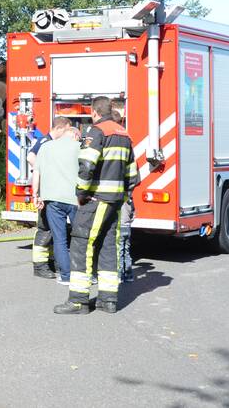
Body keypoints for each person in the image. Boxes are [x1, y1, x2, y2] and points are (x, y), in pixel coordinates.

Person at [54, 96, 138, 315]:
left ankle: (78, 301)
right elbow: (132, 173)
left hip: (97, 199)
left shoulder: (97, 132)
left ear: (94, 112)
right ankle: (108, 300)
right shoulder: (123, 133)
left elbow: (86, 166)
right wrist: (124, 195)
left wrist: (81, 193)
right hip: (116, 202)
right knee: (108, 246)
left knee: (81, 243)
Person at [32, 117, 81, 286]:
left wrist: (35, 195)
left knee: (59, 239)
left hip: (52, 199)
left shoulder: (45, 147)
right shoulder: (79, 147)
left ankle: (66, 276)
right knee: (81, 237)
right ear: (73, 135)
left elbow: (36, 173)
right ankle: (84, 274)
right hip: (76, 199)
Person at [112, 99, 136, 283]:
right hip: (126, 204)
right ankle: (127, 273)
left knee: (117, 244)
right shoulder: (127, 142)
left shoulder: (105, 141)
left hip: (115, 207)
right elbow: (134, 176)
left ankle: (119, 274)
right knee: (125, 244)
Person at [27, 130, 55, 279]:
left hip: (51, 191)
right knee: (45, 227)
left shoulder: (52, 142)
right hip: (45, 191)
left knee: (52, 228)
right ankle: (40, 265)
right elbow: (30, 156)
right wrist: (45, 170)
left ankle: (50, 262)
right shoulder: (46, 141)